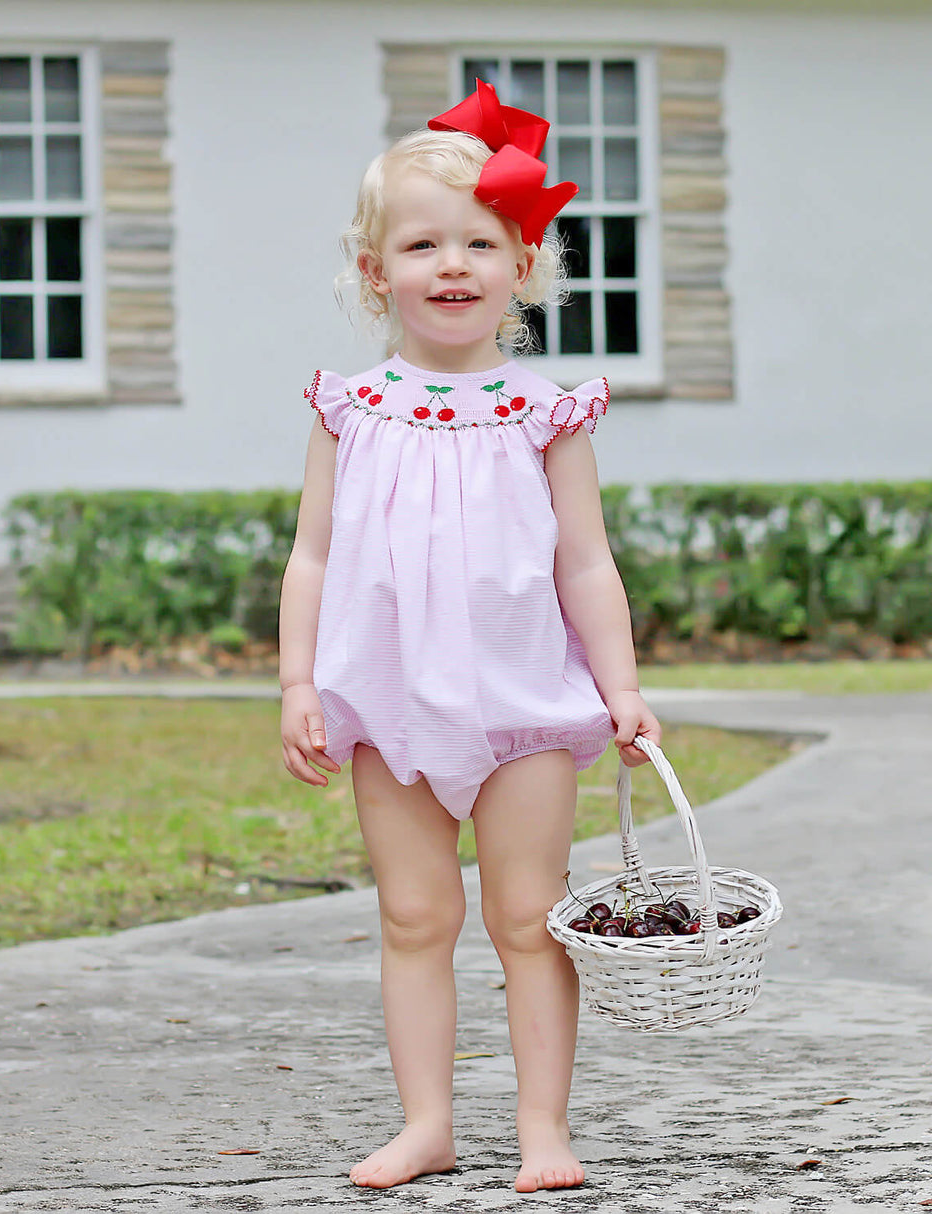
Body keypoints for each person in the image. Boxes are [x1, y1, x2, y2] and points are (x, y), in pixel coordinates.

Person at [278, 80, 662, 1193]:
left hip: (524, 700)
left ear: (520, 266)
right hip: (385, 698)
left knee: (526, 916)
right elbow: (309, 555)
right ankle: (427, 1121)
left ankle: (542, 1127)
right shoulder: (348, 408)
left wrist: (621, 685)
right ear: (373, 271)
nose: (451, 264)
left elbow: (584, 561)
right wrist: (299, 680)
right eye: (421, 243)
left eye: (478, 243)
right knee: (412, 912)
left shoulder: (545, 412)